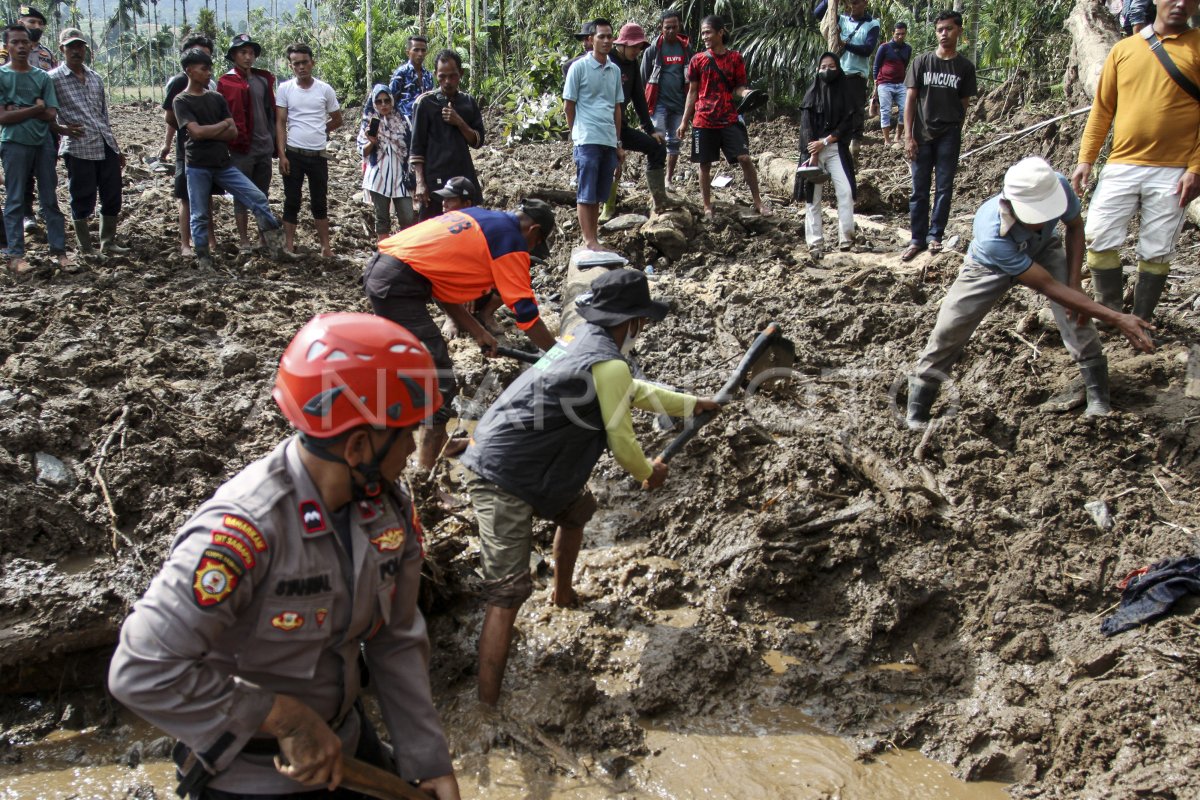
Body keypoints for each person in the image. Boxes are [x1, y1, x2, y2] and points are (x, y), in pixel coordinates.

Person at [108, 312, 461, 800]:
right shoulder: (244, 531)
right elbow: (141, 669)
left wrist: (428, 762)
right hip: (251, 778)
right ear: (359, 446)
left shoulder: (389, 511)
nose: (412, 447)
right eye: (405, 433)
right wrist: (283, 716)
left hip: (349, 747)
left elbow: (396, 640)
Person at [461, 269, 719, 705]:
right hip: (503, 471)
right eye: (642, 323)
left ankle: (562, 596)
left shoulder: (578, 340)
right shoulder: (606, 359)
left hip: (531, 459)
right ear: (634, 321)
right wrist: (646, 471)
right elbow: (622, 441)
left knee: (577, 511)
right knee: (507, 594)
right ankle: (488, 707)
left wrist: (694, 404)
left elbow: (630, 390)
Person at [905, 157, 1156, 430]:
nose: (1045, 219)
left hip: (1043, 249)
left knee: (1076, 314)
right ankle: (918, 407)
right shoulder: (992, 234)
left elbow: (1074, 227)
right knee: (950, 328)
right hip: (987, 267)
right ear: (1013, 205)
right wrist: (1117, 317)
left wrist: (1074, 283)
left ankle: (1098, 396)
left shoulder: (1056, 185)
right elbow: (1047, 285)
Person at [362, 200, 559, 469]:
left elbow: (442, 289)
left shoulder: (478, 216)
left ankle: (439, 444)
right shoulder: (510, 241)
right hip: (398, 286)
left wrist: (478, 331)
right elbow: (527, 316)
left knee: (414, 369)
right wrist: (560, 354)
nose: (532, 249)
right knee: (439, 380)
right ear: (533, 230)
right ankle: (424, 477)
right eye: (536, 243)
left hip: (385, 273)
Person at [1072, 0, 1200, 325]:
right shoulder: (1124, 50)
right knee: (1098, 236)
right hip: (1122, 162)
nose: (1181, 3)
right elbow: (1102, 109)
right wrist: (1086, 159)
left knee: (1157, 250)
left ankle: (1142, 318)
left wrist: (1197, 168)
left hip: (1175, 169)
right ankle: (1112, 311)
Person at [172, 48, 289, 269]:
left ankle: (278, 249)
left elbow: (232, 132)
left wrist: (211, 130)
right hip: (197, 166)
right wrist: (220, 126)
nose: (209, 73)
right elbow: (196, 133)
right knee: (199, 214)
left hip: (222, 163)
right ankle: (204, 258)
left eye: (210, 68)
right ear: (189, 71)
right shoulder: (182, 101)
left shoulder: (216, 98)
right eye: (204, 69)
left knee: (258, 198)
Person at [677, 15, 772, 219]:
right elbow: (692, 92)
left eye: (708, 32)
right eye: (703, 33)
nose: (705, 37)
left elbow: (739, 87)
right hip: (703, 120)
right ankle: (707, 206)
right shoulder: (698, 60)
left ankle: (758, 202)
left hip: (729, 117)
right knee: (705, 164)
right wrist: (685, 121)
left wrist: (746, 93)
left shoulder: (735, 58)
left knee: (745, 158)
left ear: (721, 32)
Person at [900, 10, 977, 262]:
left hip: (949, 135)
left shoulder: (964, 67)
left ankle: (935, 236)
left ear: (959, 31)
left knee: (944, 187)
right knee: (918, 189)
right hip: (921, 134)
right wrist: (908, 136)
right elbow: (910, 100)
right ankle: (916, 239)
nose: (944, 34)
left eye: (949, 29)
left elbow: (963, 103)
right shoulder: (922, 62)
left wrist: (953, 128)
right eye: (940, 29)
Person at [0, 23, 72, 273]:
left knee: (49, 198)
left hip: (42, 144)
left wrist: (17, 109)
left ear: (31, 45)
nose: (21, 46)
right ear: (7, 46)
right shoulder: (1, 76)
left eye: (25, 42)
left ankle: (60, 252)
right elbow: (3, 118)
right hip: (14, 143)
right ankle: (16, 255)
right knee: (15, 199)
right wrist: (34, 108)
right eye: (15, 42)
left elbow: (51, 112)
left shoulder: (41, 76)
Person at [50, 28, 128, 257]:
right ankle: (86, 247)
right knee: (82, 195)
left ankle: (107, 242)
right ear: (62, 49)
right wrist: (61, 129)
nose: (76, 51)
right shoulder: (52, 79)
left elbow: (103, 116)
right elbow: (47, 113)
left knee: (112, 194)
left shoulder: (95, 78)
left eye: (80, 46)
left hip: (104, 143)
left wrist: (116, 147)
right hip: (78, 146)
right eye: (71, 47)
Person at [275, 43, 342, 258]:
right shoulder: (285, 89)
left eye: (305, 62)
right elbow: (281, 122)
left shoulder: (325, 89)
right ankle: (289, 244)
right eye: (296, 64)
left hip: (318, 155)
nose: (301, 67)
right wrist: (282, 155)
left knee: (319, 201)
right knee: (292, 200)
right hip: (294, 154)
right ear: (290, 66)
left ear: (312, 62)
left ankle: (325, 247)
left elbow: (337, 119)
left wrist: (320, 130)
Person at [563, 18, 623, 251]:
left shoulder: (615, 70)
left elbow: (617, 107)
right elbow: (569, 105)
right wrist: (575, 133)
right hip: (587, 138)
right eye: (602, 36)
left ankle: (593, 237)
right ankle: (589, 240)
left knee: (599, 193)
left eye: (609, 36)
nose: (607, 40)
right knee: (586, 191)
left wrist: (618, 142)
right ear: (591, 40)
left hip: (608, 138)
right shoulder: (578, 68)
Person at [217, 33, 277, 253]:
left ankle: (262, 238)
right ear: (234, 55)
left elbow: (270, 112)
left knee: (262, 193)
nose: (248, 57)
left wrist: (275, 142)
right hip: (241, 147)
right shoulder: (226, 83)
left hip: (264, 145)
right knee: (241, 194)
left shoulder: (262, 80)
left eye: (251, 53)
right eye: (243, 52)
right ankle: (244, 240)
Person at [410, 50, 485, 220]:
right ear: (435, 74)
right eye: (442, 76)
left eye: (452, 76)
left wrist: (459, 122)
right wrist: (420, 183)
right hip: (434, 180)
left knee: (464, 227)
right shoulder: (425, 103)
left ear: (461, 74)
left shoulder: (468, 102)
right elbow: (416, 147)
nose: (447, 82)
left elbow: (477, 141)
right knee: (431, 231)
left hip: (462, 180)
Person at [607, 22, 672, 218]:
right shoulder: (606, 60)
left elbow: (638, 98)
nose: (637, 51)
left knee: (657, 146)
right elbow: (571, 67)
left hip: (620, 125)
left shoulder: (632, 64)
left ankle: (658, 200)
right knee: (612, 162)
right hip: (600, 127)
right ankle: (607, 205)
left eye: (639, 47)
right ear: (622, 44)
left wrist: (650, 129)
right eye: (634, 46)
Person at [162, 33, 218, 257]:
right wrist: (190, 129)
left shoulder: (210, 83)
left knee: (207, 196)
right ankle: (186, 244)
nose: (202, 60)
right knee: (186, 197)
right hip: (187, 149)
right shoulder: (179, 82)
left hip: (209, 147)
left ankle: (211, 240)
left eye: (206, 56)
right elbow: (170, 117)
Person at [796, 53, 857, 260]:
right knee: (813, 197)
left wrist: (827, 140)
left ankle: (846, 239)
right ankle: (815, 243)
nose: (827, 70)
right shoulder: (811, 95)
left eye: (831, 66)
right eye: (823, 67)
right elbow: (806, 127)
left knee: (845, 191)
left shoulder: (846, 94)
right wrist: (813, 153)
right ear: (817, 69)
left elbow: (848, 122)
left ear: (838, 69)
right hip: (813, 150)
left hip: (835, 148)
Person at [641, 9, 692, 184]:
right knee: (657, 141)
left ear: (679, 26)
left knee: (675, 142)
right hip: (658, 103)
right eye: (667, 27)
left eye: (674, 27)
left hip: (679, 103)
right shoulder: (653, 49)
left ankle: (668, 179)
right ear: (661, 28)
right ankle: (655, 178)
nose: (671, 30)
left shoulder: (685, 48)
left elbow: (691, 78)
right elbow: (643, 78)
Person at [359, 85, 414, 240]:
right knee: (382, 220)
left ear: (392, 101)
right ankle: (384, 254)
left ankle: (405, 253)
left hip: (401, 176)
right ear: (374, 103)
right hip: (379, 177)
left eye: (386, 101)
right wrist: (372, 141)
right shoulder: (368, 123)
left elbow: (411, 147)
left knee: (407, 218)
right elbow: (362, 151)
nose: (383, 105)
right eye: (379, 101)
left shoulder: (403, 121)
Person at [834, 0, 880, 157]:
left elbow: (867, 49)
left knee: (855, 112)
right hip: (837, 73)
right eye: (849, 3)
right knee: (836, 111)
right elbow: (818, 14)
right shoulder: (841, 19)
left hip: (856, 75)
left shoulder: (872, 24)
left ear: (865, 3)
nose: (852, 6)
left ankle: (854, 149)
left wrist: (844, 44)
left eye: (856, 2)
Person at [873, 21, 910, 148]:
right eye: (898, 34)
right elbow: (876, 66)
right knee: (886, 111)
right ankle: (887, 140)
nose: (900, 36)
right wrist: (875, 82)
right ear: (893, 33)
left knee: (905, 110)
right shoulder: (884, 47)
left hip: (901, 84)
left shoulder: (907, 48)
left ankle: (898, 136)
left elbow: (905, 64)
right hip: (884, 84)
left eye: (903, 34)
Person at [388, 35, 433, 121]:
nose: (420, 54)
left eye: (423, 50)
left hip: (424, 124)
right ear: (408, 53)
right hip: (404, 124)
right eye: (416, 50)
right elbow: (390, 100)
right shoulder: (401, 73)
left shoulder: (428, 75)